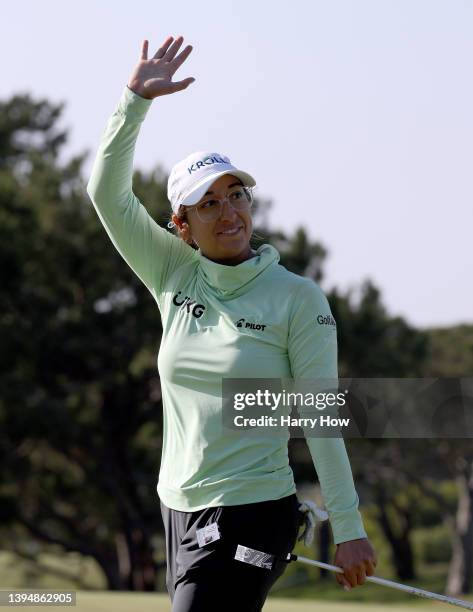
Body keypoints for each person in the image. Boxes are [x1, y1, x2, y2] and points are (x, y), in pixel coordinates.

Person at [86, 34, 377, 611]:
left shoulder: (297, 297)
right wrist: (134, 101)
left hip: (255, 511)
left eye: (236, 194)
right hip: (178, 507)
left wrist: (348, 525)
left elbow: (322, 417)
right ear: (182, 224)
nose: (230, 210)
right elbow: (105, 193)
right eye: (209, 202)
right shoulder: (173, 272)